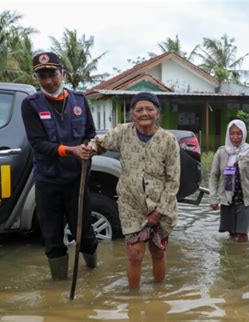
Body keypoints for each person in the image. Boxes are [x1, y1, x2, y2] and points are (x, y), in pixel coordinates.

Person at [89, 92, 180, 289]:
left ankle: (158, 295)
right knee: (134, 254)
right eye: (139, 110)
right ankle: (133, 300)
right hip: (131, 203)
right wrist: (88, 149)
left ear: (157, 112)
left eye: (149, 109)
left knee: (158, 252)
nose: (144, 113)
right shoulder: (123, 132)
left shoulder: (168, 140)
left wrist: (158, 212)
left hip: (160, 204)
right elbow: (100, 143)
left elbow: (173, 181)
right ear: (132, 114)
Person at [21, 52, 98, 280]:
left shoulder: (79, 100)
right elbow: (38, 144)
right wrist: (70, 150)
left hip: (77, 180)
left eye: (52, 74)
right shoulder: (31, 105)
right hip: (48, 182)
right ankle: (58, 287)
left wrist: (87, 147)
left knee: (85, 234)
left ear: (62, 73)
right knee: (52, 238)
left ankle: (93, 274)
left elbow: (90, 134)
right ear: (36, 78)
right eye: (41, 75)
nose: (48, 81)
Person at [209, 120, 249, 242]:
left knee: (242, 234)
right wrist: (213, 198)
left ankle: (243, 258)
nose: (235, 137)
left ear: (244, 134)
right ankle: (232, 258)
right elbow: (214, 176)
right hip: (228, 199)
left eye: (239, 133)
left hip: (246, 200)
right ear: (228, 135)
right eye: (232, 133)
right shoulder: (221, 152)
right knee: (231, 233)